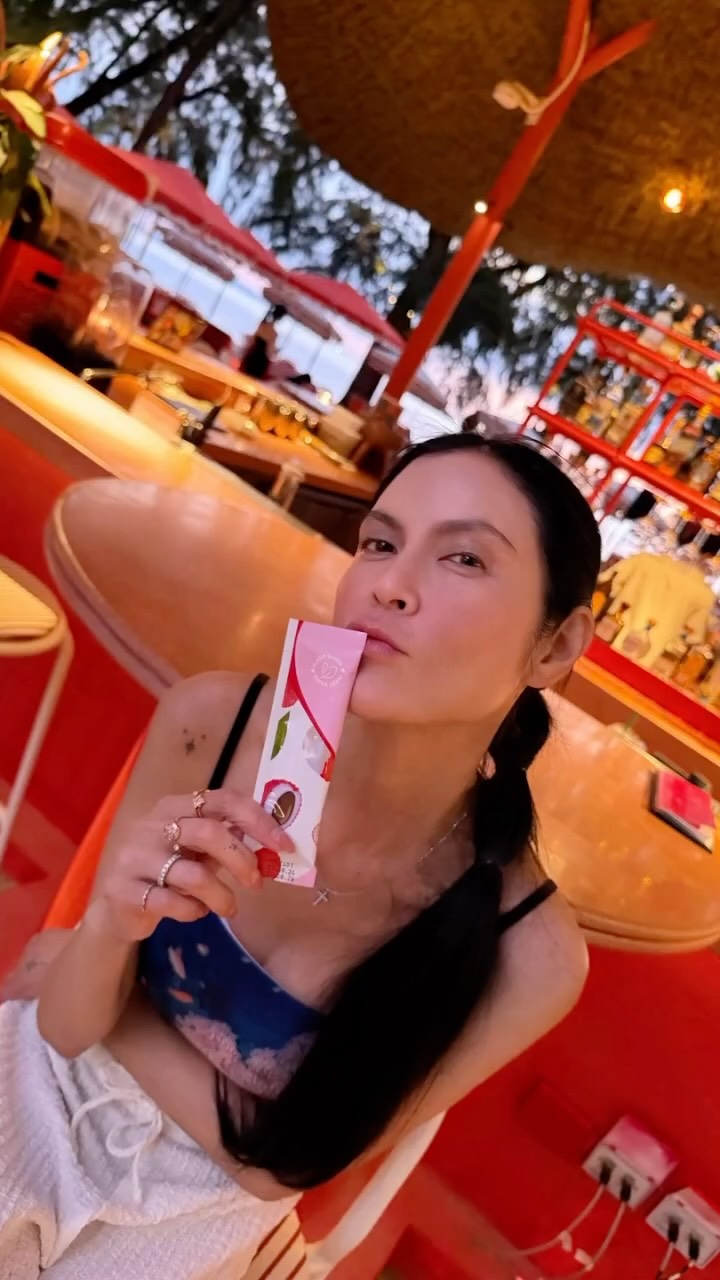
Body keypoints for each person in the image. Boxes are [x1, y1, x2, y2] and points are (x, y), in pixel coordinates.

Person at [0, 434, 599, 1278]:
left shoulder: (530, 952)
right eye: (379, 543)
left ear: (556, 646)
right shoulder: (214, 725)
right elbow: (63, 1026)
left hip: (200, 1213)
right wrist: (106, 926)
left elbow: (286, 1166)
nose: (388, 584)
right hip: (44, 1089)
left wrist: (95, 984)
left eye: (463, 558)